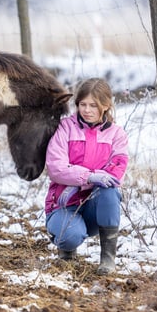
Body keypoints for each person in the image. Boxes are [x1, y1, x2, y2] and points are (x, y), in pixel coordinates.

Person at [44, 78, 129, 275]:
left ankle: (108, 258)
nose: (87, 110)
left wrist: (94, 181)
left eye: (93, 105)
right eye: (82, 104)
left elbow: (117, 171)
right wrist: (87, 178)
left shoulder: (117, 134)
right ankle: (66, 246)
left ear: (106, 106)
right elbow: (55, 167)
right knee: (71, 235)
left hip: (94, 208)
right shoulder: (65, 127)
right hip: (63, 203)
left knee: (109, 191)